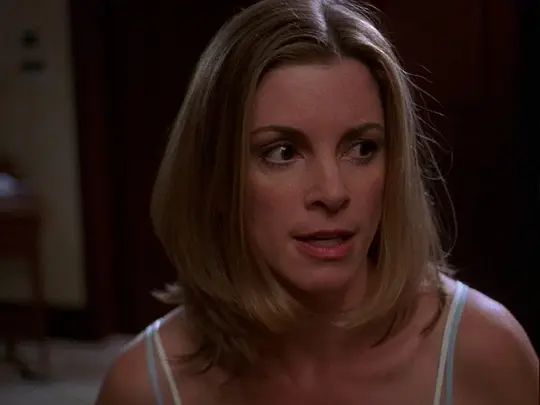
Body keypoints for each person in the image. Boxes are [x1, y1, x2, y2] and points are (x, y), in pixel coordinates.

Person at [96, 0, 539, 404]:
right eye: (282, 152)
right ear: (214, 175)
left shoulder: (484, 353)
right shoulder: (145, 385)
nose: (332, 192)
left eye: (362, 148)